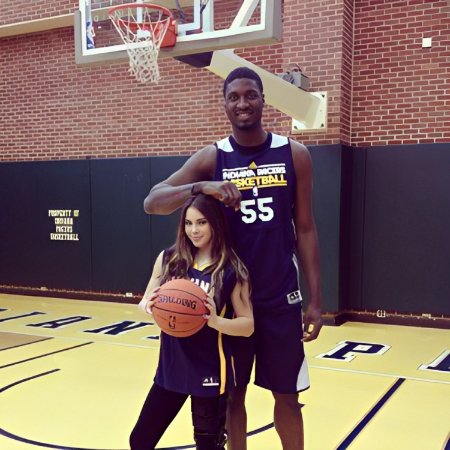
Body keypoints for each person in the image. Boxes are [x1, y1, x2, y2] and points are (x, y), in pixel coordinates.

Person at [143, 67, 323, 450]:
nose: (243, 103)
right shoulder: (214, 157)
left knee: (287, 398)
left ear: (263, 100)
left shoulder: (295, 154)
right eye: (234, 97)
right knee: (232, 399)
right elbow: (153, 201)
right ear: (224, 104)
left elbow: (305, 229)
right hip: (230, 304)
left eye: (251, 95)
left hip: (279, 300)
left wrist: (317, 301)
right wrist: (200, 185)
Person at [130, 193, 253, 450]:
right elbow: (146, 301)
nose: (193, 230)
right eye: (188, 223)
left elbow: (248, 325)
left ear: (215, 224)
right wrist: (148, 306)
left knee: (208, 447)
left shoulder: (230, 269)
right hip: (172, 366)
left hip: (209, 370)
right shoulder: (169, 260)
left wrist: (216, 321)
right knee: (140, 441)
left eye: (201, 223)